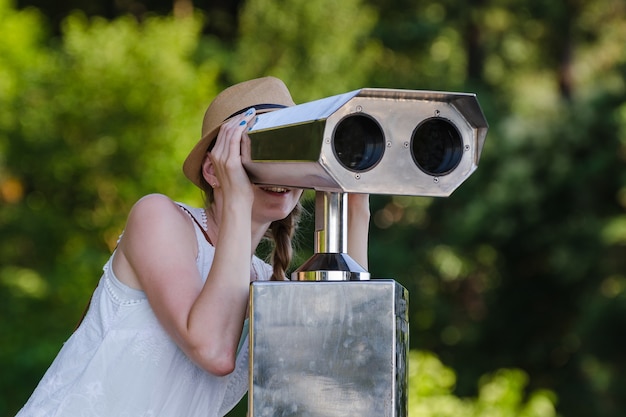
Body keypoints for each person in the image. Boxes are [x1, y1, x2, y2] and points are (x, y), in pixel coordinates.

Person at [16, 76, 371, 417]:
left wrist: (357, 203)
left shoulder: (267, 282)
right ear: (213, 170)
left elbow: (340, 358)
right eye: (261, 151)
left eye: (290, 154)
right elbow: (213, 350)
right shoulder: (160, 218)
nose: (278, 171)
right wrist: (235, 200)